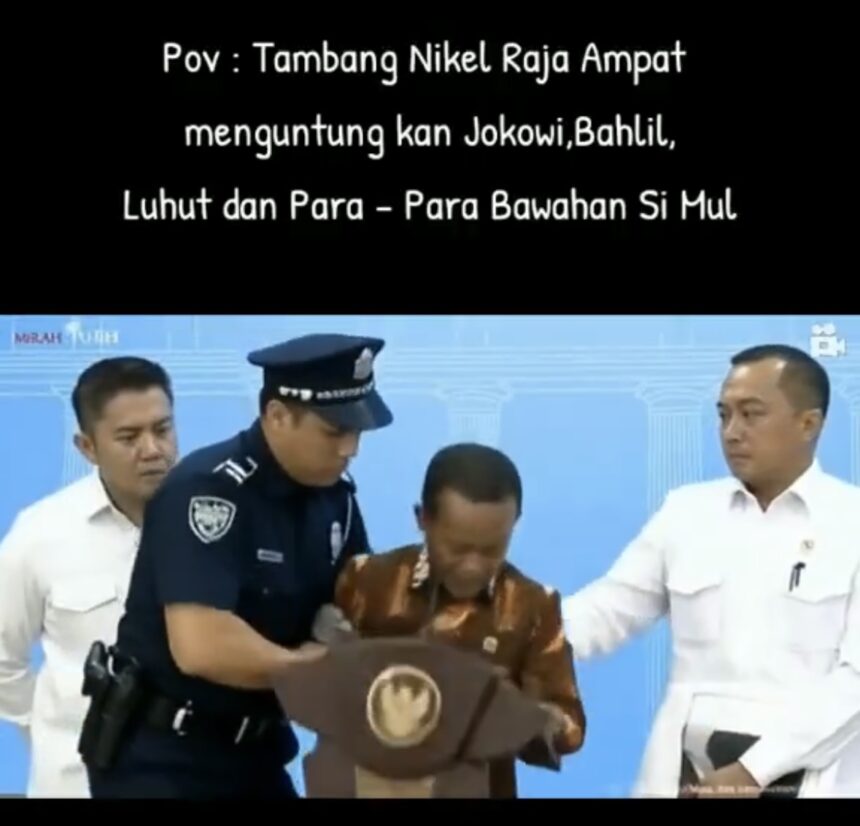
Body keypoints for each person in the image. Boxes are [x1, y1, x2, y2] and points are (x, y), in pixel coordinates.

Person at [80, 333, 393, 799]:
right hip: (164, 760)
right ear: (278, 416)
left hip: (257, 754)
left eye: (358, 432)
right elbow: (202, 646)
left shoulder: (335, 499)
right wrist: (306, 669)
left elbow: (355, 606)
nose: (351, 448)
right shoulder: (208, 492)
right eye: (334, 431)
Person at [561, 344, 860, 798]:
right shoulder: (687, 513)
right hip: (682, 776)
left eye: (751, 414)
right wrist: (514, 633)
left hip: (814, 777)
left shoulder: (851, 522)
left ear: (808, 424)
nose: (732, 432)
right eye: (724, 415)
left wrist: (754, 770)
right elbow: (607, 611)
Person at [328, 442, 586, 798]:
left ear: (514, 525)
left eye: (492, 549)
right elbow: (316, 681)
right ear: (422, 519)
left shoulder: (533, 606)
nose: (473, 567)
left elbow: (570, 726)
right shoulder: (368, 581)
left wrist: (528, 718)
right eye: (458, 548)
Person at [0, 357, 178, 797]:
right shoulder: (40, 533)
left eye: (162, 429)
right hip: (78, 781)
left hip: (195, 776)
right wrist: (51, 732)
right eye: (129, 437)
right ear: (87, 447)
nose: (152, 449)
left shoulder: (216, 519)